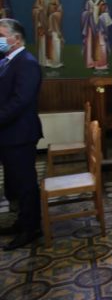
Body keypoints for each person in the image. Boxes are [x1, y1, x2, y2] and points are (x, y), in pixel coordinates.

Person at [0, 18, 43, 250]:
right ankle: (21, 221)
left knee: (25, 183)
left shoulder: (27, 63)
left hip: (20, 133)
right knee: (14, 182)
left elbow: (20, 101)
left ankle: (31, 227)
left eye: (1, 36)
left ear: (15, 38)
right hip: (9, 133)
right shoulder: (7, 61)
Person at [32, 0, 64, 68]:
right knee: (43, 42)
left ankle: (55, 62)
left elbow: (60, 10)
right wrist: (39, 10)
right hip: (42, 23)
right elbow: (35, 9)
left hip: (53, 25)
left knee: (55, 41)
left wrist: (54, 16)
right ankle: (44, 62)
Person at [81, 0, 112, 70]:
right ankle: (91, 63)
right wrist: (88, 13)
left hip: (101, 26)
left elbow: (107, 12)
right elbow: (84, 13)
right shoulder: (88, 0)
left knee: (101, 43)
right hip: (90, 26)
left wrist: (102, 15)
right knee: (90, 42)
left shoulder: (103, 0)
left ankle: (101, 64)